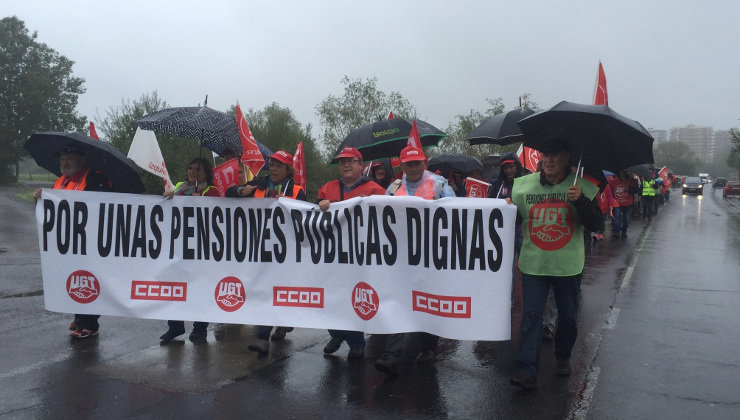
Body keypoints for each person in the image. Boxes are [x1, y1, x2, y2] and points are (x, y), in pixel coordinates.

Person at [508, 139, 601, 390]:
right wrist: (506, 210)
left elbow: (596, 225)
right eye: (545, 154)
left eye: (555, 155)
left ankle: (563, 356)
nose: (549, 160)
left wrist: (580, 201)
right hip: (533, 265)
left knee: (568, 318)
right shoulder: (523, 187)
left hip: (567, 266)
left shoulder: (581, 187)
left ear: (566, 159)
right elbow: (512, 220)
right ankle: (527, 369)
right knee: (530, 317)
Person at [374, 145, 455, 376]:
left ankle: (428, 347)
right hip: (400, 255)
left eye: (417, 162)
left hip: (429, 254)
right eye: (408, 163)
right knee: (398, 300)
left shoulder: (439, 185)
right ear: (401, 165)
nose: (413, 167)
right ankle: (392, 355)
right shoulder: (393, 187)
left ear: (425, 162)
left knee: (427, 301)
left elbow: (455, 212)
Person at [225, 150, 307, 355]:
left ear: (288, 169)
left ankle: (282, 322)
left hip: (285, 252)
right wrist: (240, 192)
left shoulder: (296, 190)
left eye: (278, 165)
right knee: (267, 291)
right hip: (261, 249)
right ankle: (263, 337)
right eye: (271, 164)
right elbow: (229, 193)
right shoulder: (259, 184)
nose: (273, 168)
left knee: (281, 291)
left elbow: (303, 219)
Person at [33, 144, 110, 339]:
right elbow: (53, 209)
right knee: (72, 278)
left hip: (89, 242)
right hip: (67, 243)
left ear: (82, 160)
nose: (64, 162)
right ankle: (79, 317)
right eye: (62, 158)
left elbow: (103, 205)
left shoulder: (93, 178)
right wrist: (40, 198)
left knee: (88, 280)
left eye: (69, 158)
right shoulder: (61, 180)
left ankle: (90, 323)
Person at [317, 147, 386, 360]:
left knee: (356, 297)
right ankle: (336, 334)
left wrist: (370, 205)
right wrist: (320, 206)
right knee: (331, 297)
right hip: (332, 255)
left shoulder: (375, 189)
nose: (346, 165)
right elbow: (311, 214)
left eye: (351, 161)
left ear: (361, 164)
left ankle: (357, 343)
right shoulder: (327, 188)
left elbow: (385, 217)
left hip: (360, 256)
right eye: (342, 161)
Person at [160, 157, 220, 343]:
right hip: (178, 246)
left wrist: (201, 202)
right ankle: (175, 326)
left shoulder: (212, 191)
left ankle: (199, 328)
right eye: (191, 168)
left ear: (206, 174)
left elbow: (218, 213)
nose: (193, 172)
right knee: (174, 287)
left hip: (202, 248)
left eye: (199, 170)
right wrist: (168, 195)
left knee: (200, 288)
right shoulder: (179, 187)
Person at [608, 170, 639, 238]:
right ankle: (616, 231)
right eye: (621, 171)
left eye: (624, 171)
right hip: (617, 204)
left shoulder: (632, 181)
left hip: (628, 204)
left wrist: (629, 190)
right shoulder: (613, 181)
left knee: (627, 220)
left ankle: (624, 231)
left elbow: (637, 190)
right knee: (617, 218)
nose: (622, 173)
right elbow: (610, 191)